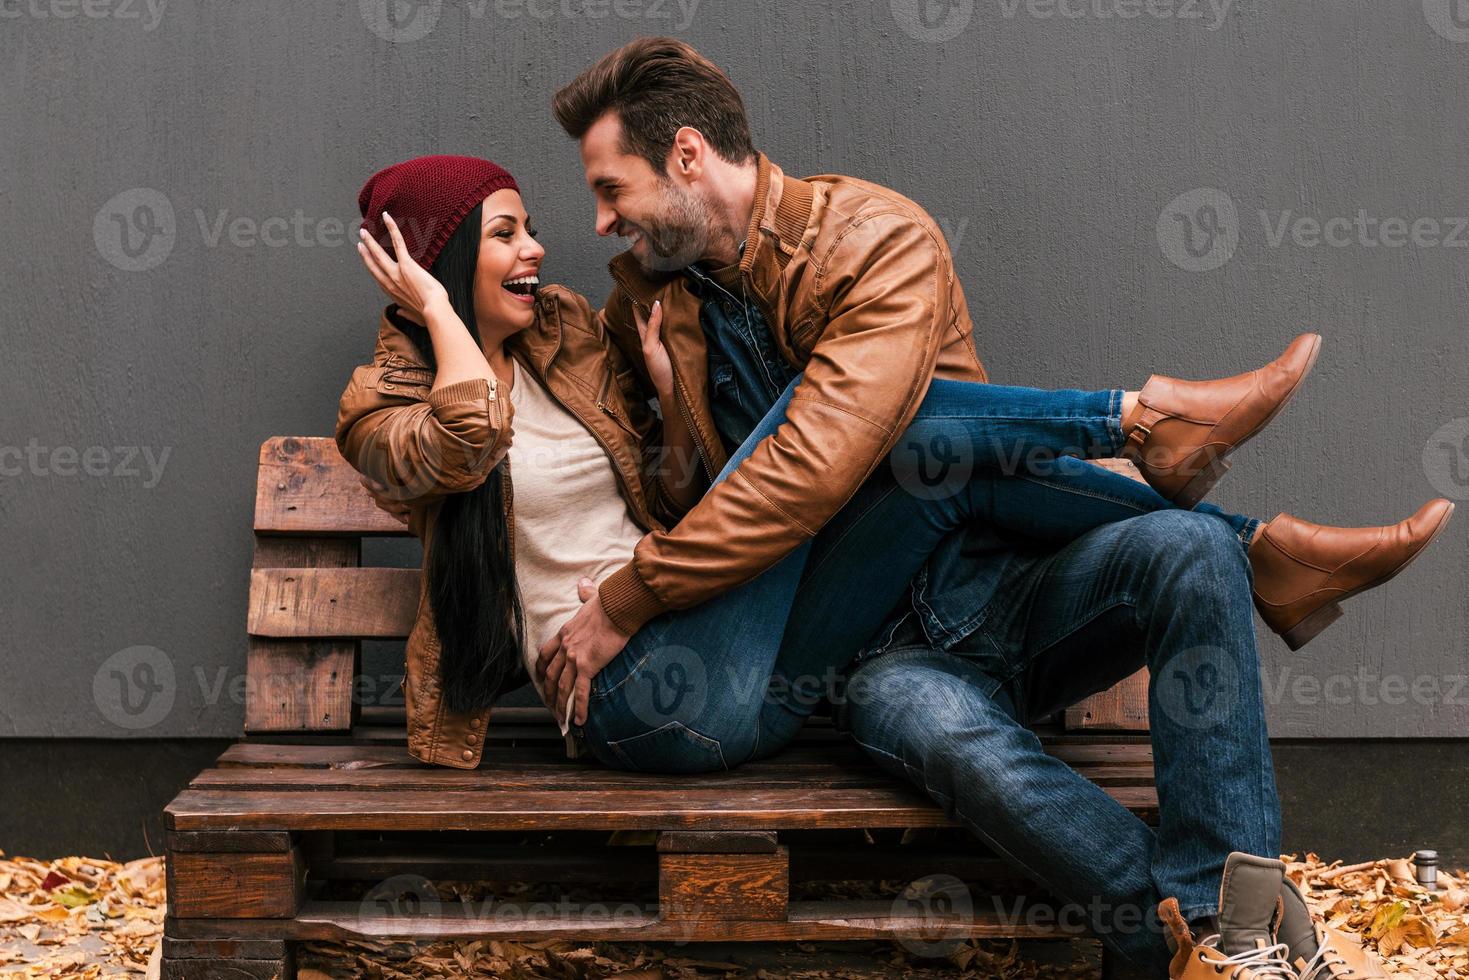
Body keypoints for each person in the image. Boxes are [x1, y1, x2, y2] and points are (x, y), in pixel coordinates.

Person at [532, 38, 1454, 978]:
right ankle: (1216, 935)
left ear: (686, 155)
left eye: (612, 188)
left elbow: (812, 462)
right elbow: (719, 488)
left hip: (999, 585)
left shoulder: (872, 238)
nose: (601, 221)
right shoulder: (655, 306)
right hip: (862, 650)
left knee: (1174, 547)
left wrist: (631, 595)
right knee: (932, 664)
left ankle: (1225, 926)